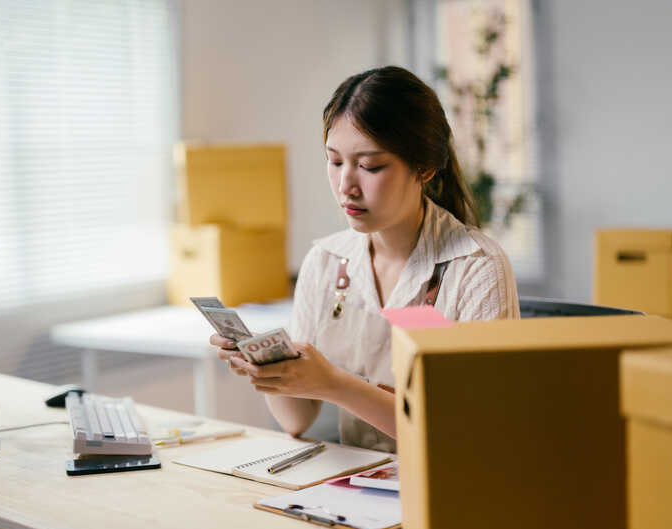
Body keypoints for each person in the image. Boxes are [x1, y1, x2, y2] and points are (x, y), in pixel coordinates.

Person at [210, 66, 519, 452]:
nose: (346, 186)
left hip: (448, 488)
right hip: (355, 488)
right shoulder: (326, 261)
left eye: (370, 166)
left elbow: (474, 433)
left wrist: (334, 384)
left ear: (423, 167)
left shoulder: (476, 266)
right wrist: (271, 368)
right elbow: (295, 420)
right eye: (335, 162)